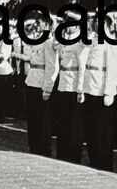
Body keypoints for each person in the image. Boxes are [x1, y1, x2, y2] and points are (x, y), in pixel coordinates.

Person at [78, 13, 117, 171]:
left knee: (102, 130)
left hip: (102, 88)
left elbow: (114, 69)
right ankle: (94, 159)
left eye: (100, 23)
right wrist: (82, 88)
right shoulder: (92, 40)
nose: (96, 25)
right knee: (91, 128)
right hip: (90, 87)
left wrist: (109, 91)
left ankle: (104, 163)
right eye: (96, 22)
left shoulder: (111, 43)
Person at [21, 10, 59, 156]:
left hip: (41, 83)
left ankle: (43, 148)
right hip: (31, 80)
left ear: (48, 24)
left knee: (43, 119)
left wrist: (47, 88)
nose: (38, 24)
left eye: (41, 21)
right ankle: (34, 145)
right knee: (33, 117)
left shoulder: (49, 42)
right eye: (38, 21)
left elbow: (52, 66)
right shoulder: (38, 40)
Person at [52, 19, 88, 163]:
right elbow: (55, 46)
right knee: (63, 120)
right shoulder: (64, 39)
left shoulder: (80, 42)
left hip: (74, 84)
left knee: (74, 123)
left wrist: (80, 89)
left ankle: (73, 155)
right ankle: (63, 151)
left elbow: (82, 66)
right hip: (63, 83)